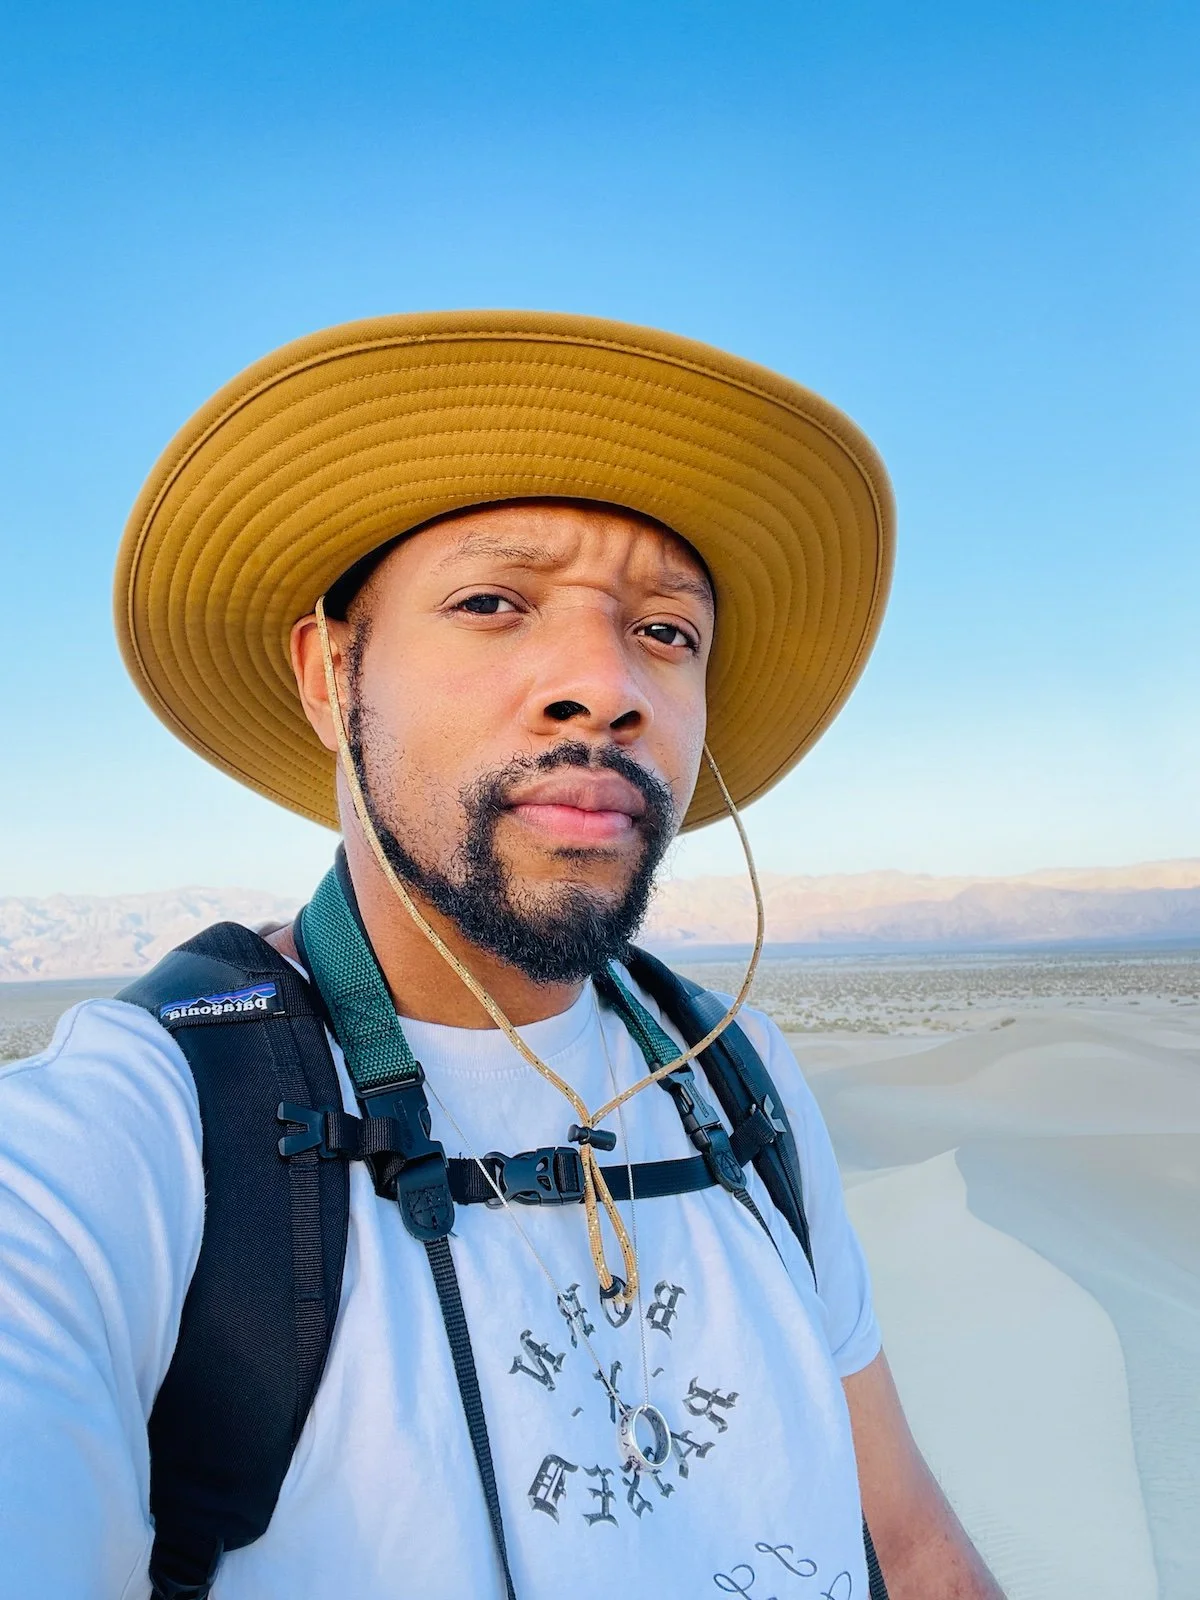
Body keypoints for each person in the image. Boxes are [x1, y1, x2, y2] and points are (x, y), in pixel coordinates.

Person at [0, 312, 1002, 1599]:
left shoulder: (733, 1075)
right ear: (329, 672)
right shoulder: (125, 1145)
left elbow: (909, 1542)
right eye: (493, 602)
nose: (603, 684)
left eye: (667, 631)